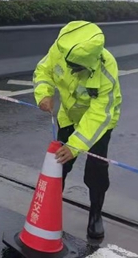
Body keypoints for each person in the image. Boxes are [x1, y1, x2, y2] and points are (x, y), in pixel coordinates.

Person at [33, 20, 122, 240]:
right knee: (58, 165)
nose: (71, 70)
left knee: (96, 169)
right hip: (68, 116)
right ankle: (49, 211)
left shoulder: (107, 68)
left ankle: (95, 215)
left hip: (99, 124)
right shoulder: (60, 49)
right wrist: (43, 92)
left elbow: (99, 114)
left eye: (77, 68)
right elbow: (43, 70)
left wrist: (75, 146)